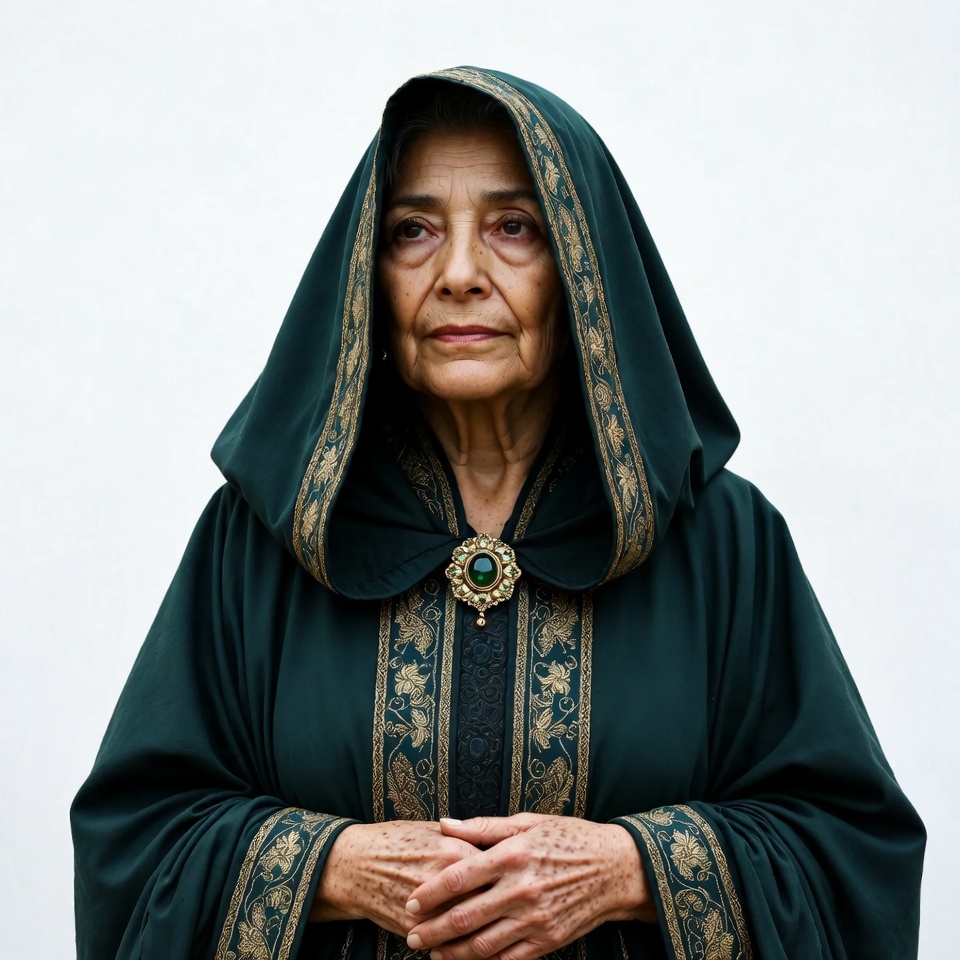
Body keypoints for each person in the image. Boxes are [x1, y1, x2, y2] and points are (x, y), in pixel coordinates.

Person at [71, 67, 924, 960]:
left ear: (586, 276)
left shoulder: (723, 543)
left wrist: (633, 868)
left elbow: (850, 849)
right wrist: (334, 863)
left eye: (515, 228)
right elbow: (138, 840)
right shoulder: (259, 541)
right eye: (413, 232)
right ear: (368, 278)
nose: (461, 274)